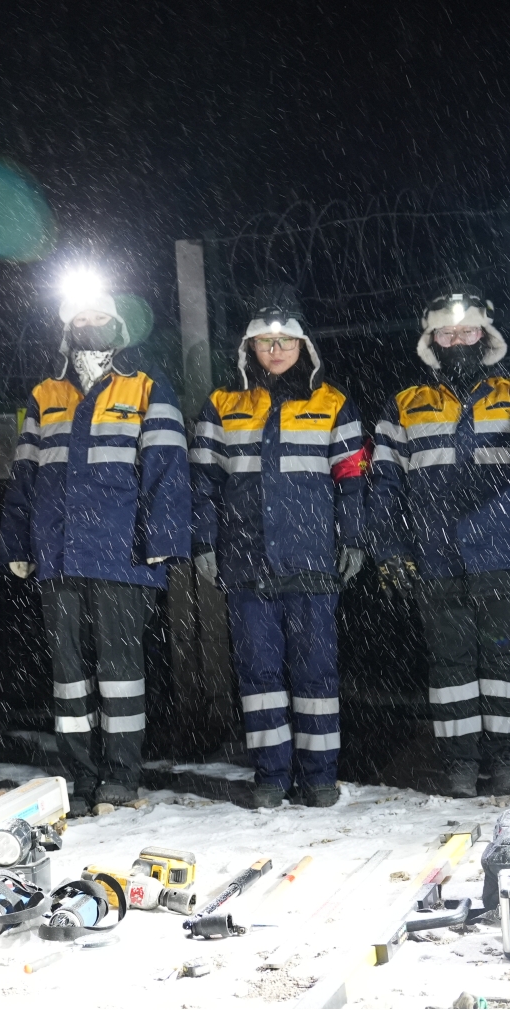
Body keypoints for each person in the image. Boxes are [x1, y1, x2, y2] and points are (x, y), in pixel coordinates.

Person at [0, 271, 189, 810]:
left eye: (98, 315)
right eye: (80, 317)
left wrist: (162, 537)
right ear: (67, 327)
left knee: (121, 673)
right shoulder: (46, 393)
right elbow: (25, 474)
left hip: (122, 552)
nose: (89, 324)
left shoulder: (148, 387)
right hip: (58, 553)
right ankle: (79, 778)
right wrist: (16, 544)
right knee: (68, 677)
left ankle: (121, 776)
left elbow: (167, 467)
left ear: (117, 324)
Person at [191, 286, 365, 808]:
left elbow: (353, 481)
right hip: (247, 561)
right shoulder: (223, 405)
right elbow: (203, 483)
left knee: (317, 673)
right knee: (258, 674)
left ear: (303, 345)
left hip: (312, 559)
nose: (275, 350)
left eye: (285, 340)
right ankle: (271, 776)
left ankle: (320, 777)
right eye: (265, 341)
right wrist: (203, 542)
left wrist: (354, 538)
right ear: (249, 347)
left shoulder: (333, 403)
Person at [368, 285, 510, 799]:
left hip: (504, 552)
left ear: (485, 334)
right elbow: (384, 485)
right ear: (431, 340)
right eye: (447, 333)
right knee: (450, 666)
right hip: (435, 556)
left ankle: (508, 760)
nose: (458, 340)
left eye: (467, 331)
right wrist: (390, 549)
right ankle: (460, 763)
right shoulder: (404, 404)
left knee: (507, 662)